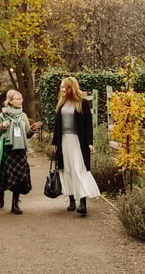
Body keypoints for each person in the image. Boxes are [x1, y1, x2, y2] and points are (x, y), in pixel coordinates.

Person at [52, 76, 100, 215]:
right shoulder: (61, 103)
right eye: (61, 87)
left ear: (71, 88)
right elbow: (57, 125)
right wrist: (54, 143)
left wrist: (90, 143)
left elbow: (88, 125)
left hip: (78, 142)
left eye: (65, 87)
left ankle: (83, 202)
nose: (62, 89)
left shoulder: (82, 103)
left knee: (79, 169)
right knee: (67, 170)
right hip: (64, 141)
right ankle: (71, 200)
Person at [0, 90, 41, 214]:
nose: (21, 101)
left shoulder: (23, 116)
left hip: (20, 151)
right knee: (4, 175)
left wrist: (32, 130)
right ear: (10, 101)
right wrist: (2, 126)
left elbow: (27, 134)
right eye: (18, 99)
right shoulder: (1, 116)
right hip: (7, 151)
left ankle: (15, 204)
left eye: (21, 98)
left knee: (19, 177)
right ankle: (1, 192)